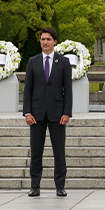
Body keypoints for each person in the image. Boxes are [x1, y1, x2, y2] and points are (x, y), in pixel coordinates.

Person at [23, 27, 73, 197]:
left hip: (57, 114)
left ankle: (60, 186)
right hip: (36, 114)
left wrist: (67, 112)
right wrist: (27, 112)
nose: (45, 42)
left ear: (55, 42)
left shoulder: (63, 62)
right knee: (36, 152)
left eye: (48, 39)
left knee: (59, 152)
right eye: (43, 39)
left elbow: (68, 90)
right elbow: (27, 89)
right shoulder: (32, 61)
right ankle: (35, 186)